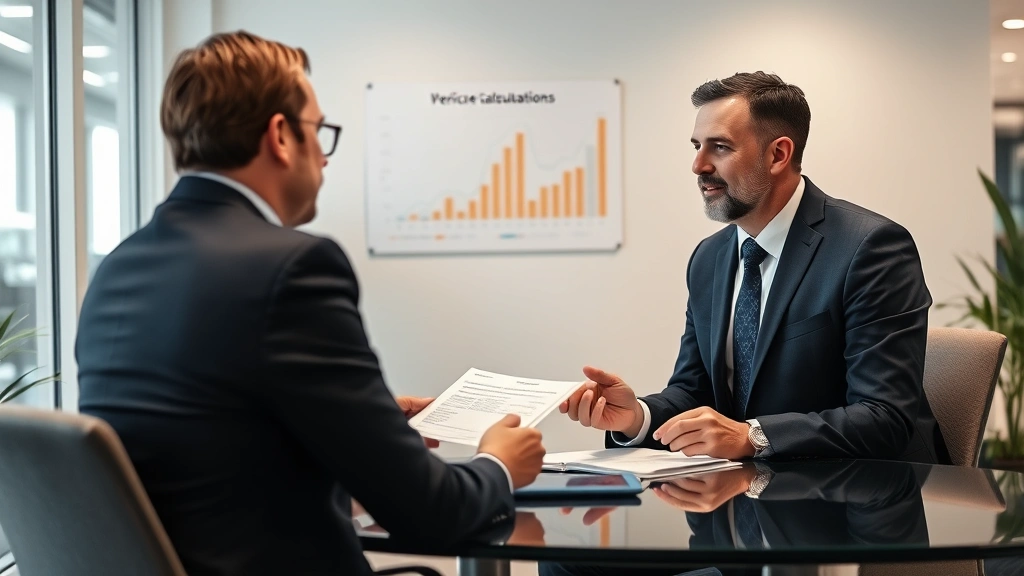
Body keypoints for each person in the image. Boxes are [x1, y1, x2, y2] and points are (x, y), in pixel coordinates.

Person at [75, 31, 544, 576]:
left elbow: (206, 460)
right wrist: (500, 463)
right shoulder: (294, 267)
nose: (323, 157)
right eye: (319, 133)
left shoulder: (117, 267)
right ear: (280, 136)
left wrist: (358, 429)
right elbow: (433, 515)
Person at [560, 72, 949, 464]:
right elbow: (695, 391)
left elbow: (886, 418)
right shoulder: (709, 258)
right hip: (747, 500)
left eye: (720, 147)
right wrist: (637, 419)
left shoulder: (870, 247)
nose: (698, 165)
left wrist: (753, 436)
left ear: (778, 154)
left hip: (859, 501)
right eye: (697, 146)